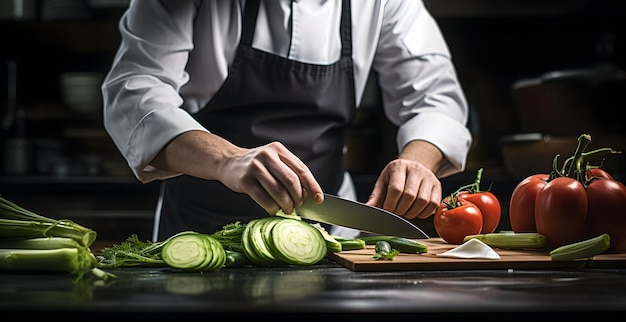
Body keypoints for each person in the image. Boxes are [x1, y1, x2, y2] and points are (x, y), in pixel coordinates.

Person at [102, 0, 472, 242]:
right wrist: (227, 160)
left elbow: (436, 99)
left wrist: (418, 163)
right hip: (199, 232)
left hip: (330, 234)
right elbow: (134, 92)